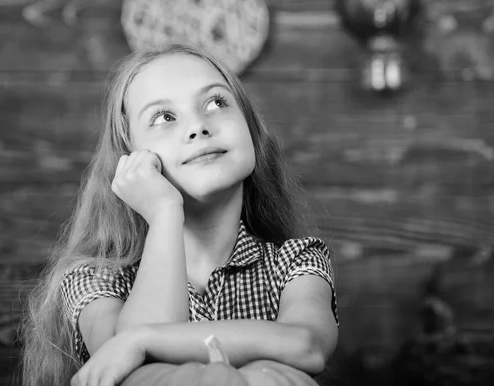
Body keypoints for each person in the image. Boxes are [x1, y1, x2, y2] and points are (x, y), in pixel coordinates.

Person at [20, 43, 339, 386]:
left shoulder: (295, 262)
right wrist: (164, 212)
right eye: (164, 118)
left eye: (216, 102)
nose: (198, 127)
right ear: (130, 158)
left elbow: (307, 345)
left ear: (252, 129)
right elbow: (136, 374)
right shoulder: (96, 278)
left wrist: (140, 340)